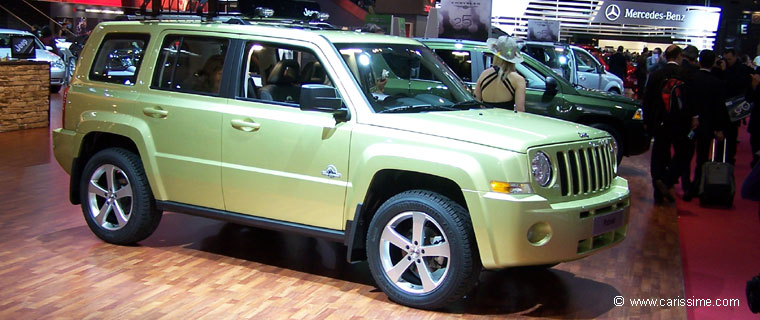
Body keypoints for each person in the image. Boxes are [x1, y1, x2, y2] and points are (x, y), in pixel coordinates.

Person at [643, 44, 699, 203]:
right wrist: (694, 117)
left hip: (659, 121)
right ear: (679, 56)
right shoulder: (685, 74)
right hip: (680, 121)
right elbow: (691, 99)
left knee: (659, 153)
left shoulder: (656, 75)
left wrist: (647, 121)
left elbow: (647, 100)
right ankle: (667, 180)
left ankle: (658, 191)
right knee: (684, 152)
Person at [683, 49, 729, 201]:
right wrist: (719, 128)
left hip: (690, 123)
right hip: (707, 124)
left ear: (699, 60)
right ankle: (697, 186)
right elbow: (719, 108)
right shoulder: (717, 82)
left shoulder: (691, 78)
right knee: (702, 157)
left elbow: (686, 101)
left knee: (686, 155)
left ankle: (686, 185)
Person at [474, 36, 526, 112]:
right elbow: (520, 109)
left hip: (485, 120)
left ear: (496, 54)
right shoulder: (518, 80)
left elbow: (476, 102)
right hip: (505, 121)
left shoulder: (484, 74)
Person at [719, 49, 752, 166]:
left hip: (735, 107)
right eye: (726, 59)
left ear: (735, 57)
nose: (728, 62)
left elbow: (740, 84)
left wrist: (726, 72)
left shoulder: (742, 70)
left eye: (729, 59)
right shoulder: (722, 68)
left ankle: (729, 159)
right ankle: (719, 158)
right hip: (722, 107)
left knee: (732, 136)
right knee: (720, 135)